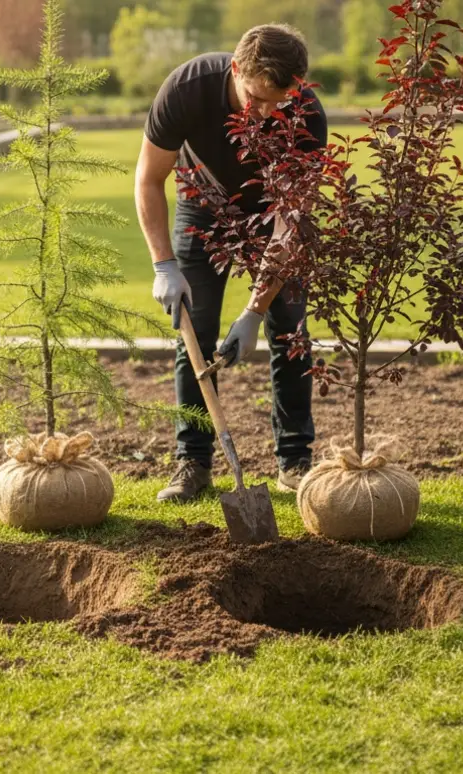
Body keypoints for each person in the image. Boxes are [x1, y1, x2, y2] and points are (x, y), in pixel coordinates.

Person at [135, 23, 327, 504]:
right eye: (255, 99)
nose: (266, 113)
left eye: (277, 101)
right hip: (204, 208)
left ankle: (294, 461)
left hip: (273, 214)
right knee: (194, 329)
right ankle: (193, 463)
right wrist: (164, 265)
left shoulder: (304, 114)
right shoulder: (187, 89)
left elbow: (291, 222)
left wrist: (254, 311)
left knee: (289, 329)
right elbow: (147, 180)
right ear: (235, 69)